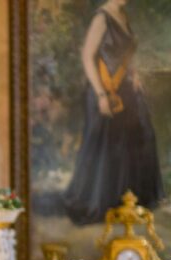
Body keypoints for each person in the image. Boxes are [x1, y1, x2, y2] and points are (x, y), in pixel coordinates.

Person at [63, 0, 164, 225]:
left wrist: (134, 74)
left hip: (126, 90)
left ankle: (126, 201)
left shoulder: (123, 15)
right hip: (103, 90)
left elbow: (126, 55)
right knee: (105, 146)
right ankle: (99, 203)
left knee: (137, 138)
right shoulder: (101, 17)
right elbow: (87, 56)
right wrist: (100, 94)